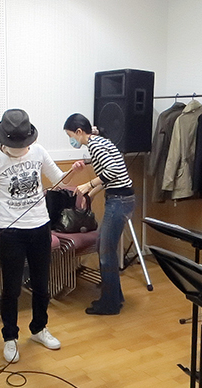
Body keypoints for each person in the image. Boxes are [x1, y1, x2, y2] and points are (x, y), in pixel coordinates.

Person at [0, 109, 78, 363]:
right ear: (3, 140)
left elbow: (59, 181)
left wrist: (73, 171)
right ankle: (10, 337)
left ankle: (39, 328)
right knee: (11, 289)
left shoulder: (39, 152)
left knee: (41, 284)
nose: (20, 149)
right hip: (11, 232)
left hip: (40, 228)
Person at [63, 113, 135, 315]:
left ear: (79, 131)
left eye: (70, 135)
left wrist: (89, 184)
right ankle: (115, 297)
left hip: (119, 200)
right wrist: (91, 194)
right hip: (122, 198)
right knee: (105, 247)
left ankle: (110, 304)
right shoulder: (101, 141)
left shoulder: (95, 145)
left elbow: (113, 171)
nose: (71, 140)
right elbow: (110, 177)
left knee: (105, 252)